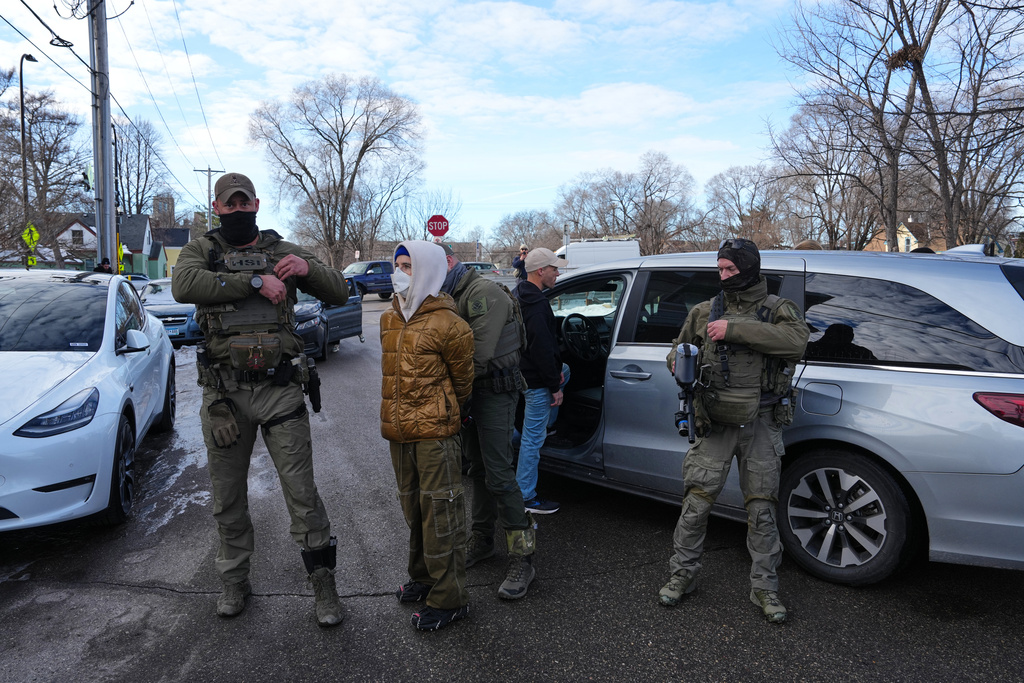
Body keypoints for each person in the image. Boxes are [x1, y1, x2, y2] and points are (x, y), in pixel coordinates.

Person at [172, 172, 348, 627]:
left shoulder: (282, 250)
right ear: (217, 208)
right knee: (227, 498)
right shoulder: (203, 251)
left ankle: (323, 582)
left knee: (302, 494)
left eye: (243, 203)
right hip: (225, 397)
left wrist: (307, 271)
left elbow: (340, 290)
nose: (236, 211)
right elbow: (184, 285)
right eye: (228, 205)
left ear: (256, 204)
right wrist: (255, 284)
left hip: (279, 391)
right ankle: (234, 580)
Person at [659, 238, 808, 624]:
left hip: (760, 423)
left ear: (749, 268)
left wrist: (735, 330)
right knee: (696, 504)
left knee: (761, 509)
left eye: (730, 269)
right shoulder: (704, 311)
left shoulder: (778, 310)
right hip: (716, 423)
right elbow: (676, 350)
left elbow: (796, 343)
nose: (724, 276)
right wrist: (678, 362)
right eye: (720, 269)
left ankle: (765, 588)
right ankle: (682, 575)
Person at [382, 241, 475, 631]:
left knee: (442, 514)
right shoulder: (389, 316)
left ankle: (449, 598)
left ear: (429, 271)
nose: (400, 272)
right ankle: (423, 578)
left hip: (435, 433)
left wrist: (442, 410)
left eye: (408, 266)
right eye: (398, 264)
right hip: (399, 432)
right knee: (413, 509)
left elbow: (463, 382)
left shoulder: (450, 324)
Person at [439, 244, 538, 600]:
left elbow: (477, 356)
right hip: (470, 391)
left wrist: (452, 398)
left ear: (449, 262)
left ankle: (523, 556)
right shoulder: (452, 291)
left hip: (493, 390)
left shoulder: (483, 293)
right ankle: (482, 540)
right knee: (477, 469)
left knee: (498, 472)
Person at [513, 247, 569, 514]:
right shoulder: (536, 307)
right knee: (532, 441)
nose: (558, 273)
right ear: (540, 271)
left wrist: (557, 374)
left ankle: (541, 427)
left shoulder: (519, 296)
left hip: (519, 373)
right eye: (554, 269)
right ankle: (526, 496)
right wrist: (554, 387)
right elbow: (543, 350)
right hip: (535, 381)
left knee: (565, 368)